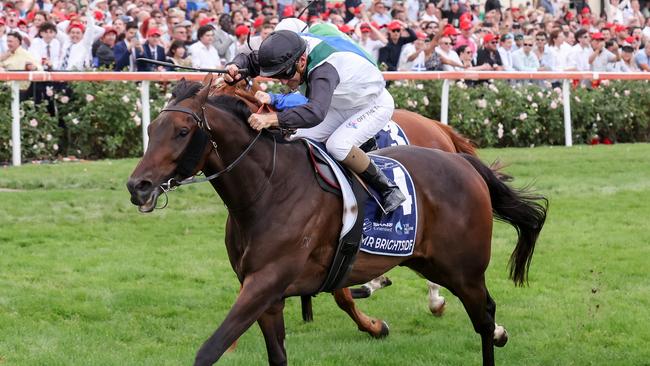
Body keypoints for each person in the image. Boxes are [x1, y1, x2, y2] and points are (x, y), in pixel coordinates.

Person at [223, 30, 406, 212]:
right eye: (277, 76)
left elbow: (315, 113)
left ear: (302, 61)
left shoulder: (324, 69)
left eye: (285, 75)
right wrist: (234, 66)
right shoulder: (292, 52)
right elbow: (251, 60)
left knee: (338, 145)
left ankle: (388, 189)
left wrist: (272, 119)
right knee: (295, 139)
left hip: (373, 104)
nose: (283, 82)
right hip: (340, 104)